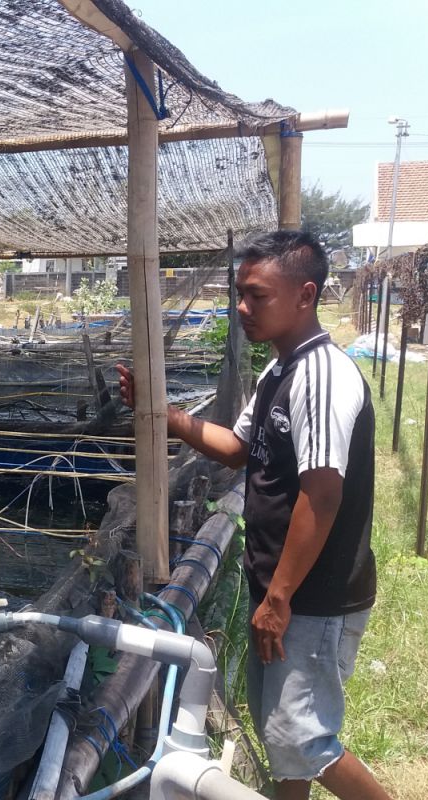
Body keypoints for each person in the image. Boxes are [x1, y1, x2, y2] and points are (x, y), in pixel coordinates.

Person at [116, 230, 390, 800]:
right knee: (285, 740)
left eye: (256, 295)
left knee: (305, 741)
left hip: (313, 596)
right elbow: (238, 448)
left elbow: (323, 495)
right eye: (239, 293)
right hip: (286, 590)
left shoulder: (321, 377)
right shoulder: (280, 372)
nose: (241, 307)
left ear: (305, 295)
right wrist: (162, 413)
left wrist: (279, 598)